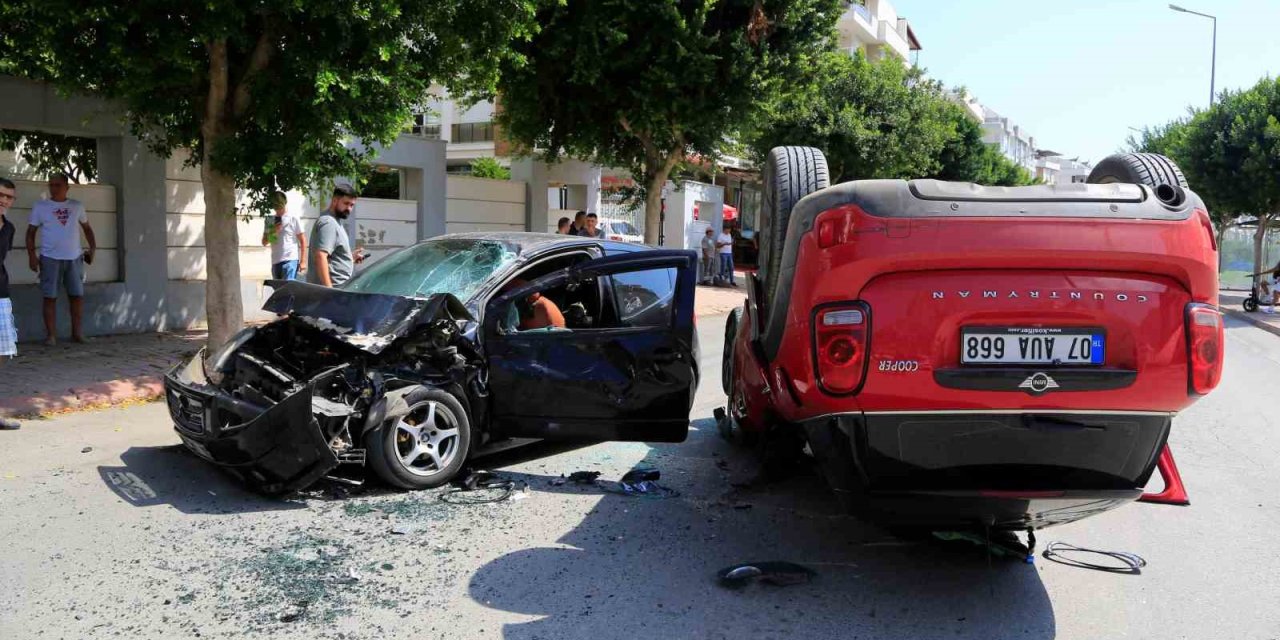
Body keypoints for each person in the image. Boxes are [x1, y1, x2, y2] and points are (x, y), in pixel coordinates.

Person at [26, 173, 96, 345]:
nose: (54, 188)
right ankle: (51, 336)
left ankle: (77, 334)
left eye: (57, 185)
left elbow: (87, 228)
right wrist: (32, 256)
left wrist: (92, 248)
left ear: (67, 187)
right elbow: (30, 233)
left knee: (77, 296)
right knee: (49, 297)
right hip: (50, 258)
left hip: (74, 258)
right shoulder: (40, 206)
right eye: (51, 185)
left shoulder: (77, 206)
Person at [308, 183, 364, 288]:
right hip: (333, 289)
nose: (349, 209)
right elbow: (321, 256)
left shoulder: (334, 221)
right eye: (346, 203)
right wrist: (329, 291)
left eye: (352, 205)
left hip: (338, 287)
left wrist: (349, 258)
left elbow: (331, 257)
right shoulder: (328, 222)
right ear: (334, 200)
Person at [0, 177, 20, 429]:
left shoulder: (9, 227)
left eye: (8, 197)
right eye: (1, 194)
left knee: (4, 351)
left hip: (1, 293)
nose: (4, 200)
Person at [262, 191, 307, 281]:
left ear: (285, 203)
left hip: (290, 261)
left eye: (280, 206)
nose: (278, 210)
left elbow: (302, 240)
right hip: (275, 262)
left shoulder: (293, 218)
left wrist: (303, 261)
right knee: (279, 292)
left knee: (288, 291)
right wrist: (274, 231)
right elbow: (264, 242)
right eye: (276, 207)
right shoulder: (270, 220)